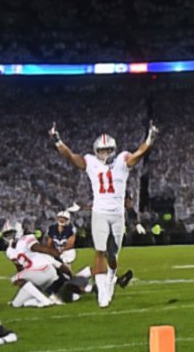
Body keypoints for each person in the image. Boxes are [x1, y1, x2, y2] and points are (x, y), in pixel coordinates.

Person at [50, 120, 158, 307]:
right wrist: (58, 140)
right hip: (99, 213)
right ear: (96, 151)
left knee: (113, 257)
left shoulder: (123, 160)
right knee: (99, 252)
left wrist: (150, 139)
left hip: (117, 215)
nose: (104, 153)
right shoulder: (91, 162)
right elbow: (70, 156)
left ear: (113, 150)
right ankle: (102, 292)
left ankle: (110, 280)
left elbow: (139, 154)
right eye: (101, 150)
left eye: (107, 150)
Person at [3, 220, 65, 307]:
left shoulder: (25, 239)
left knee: (14, 278)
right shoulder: (9, 251)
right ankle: (42, 300)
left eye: (11, 233)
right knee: (16, 304)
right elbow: (20, 269)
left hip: (44, 270)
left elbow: (43, 249)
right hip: (34, 275)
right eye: (7, 235)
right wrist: (25, 286)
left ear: (18, 231)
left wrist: (57, 254)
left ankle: (46, 301)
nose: (9, 237)